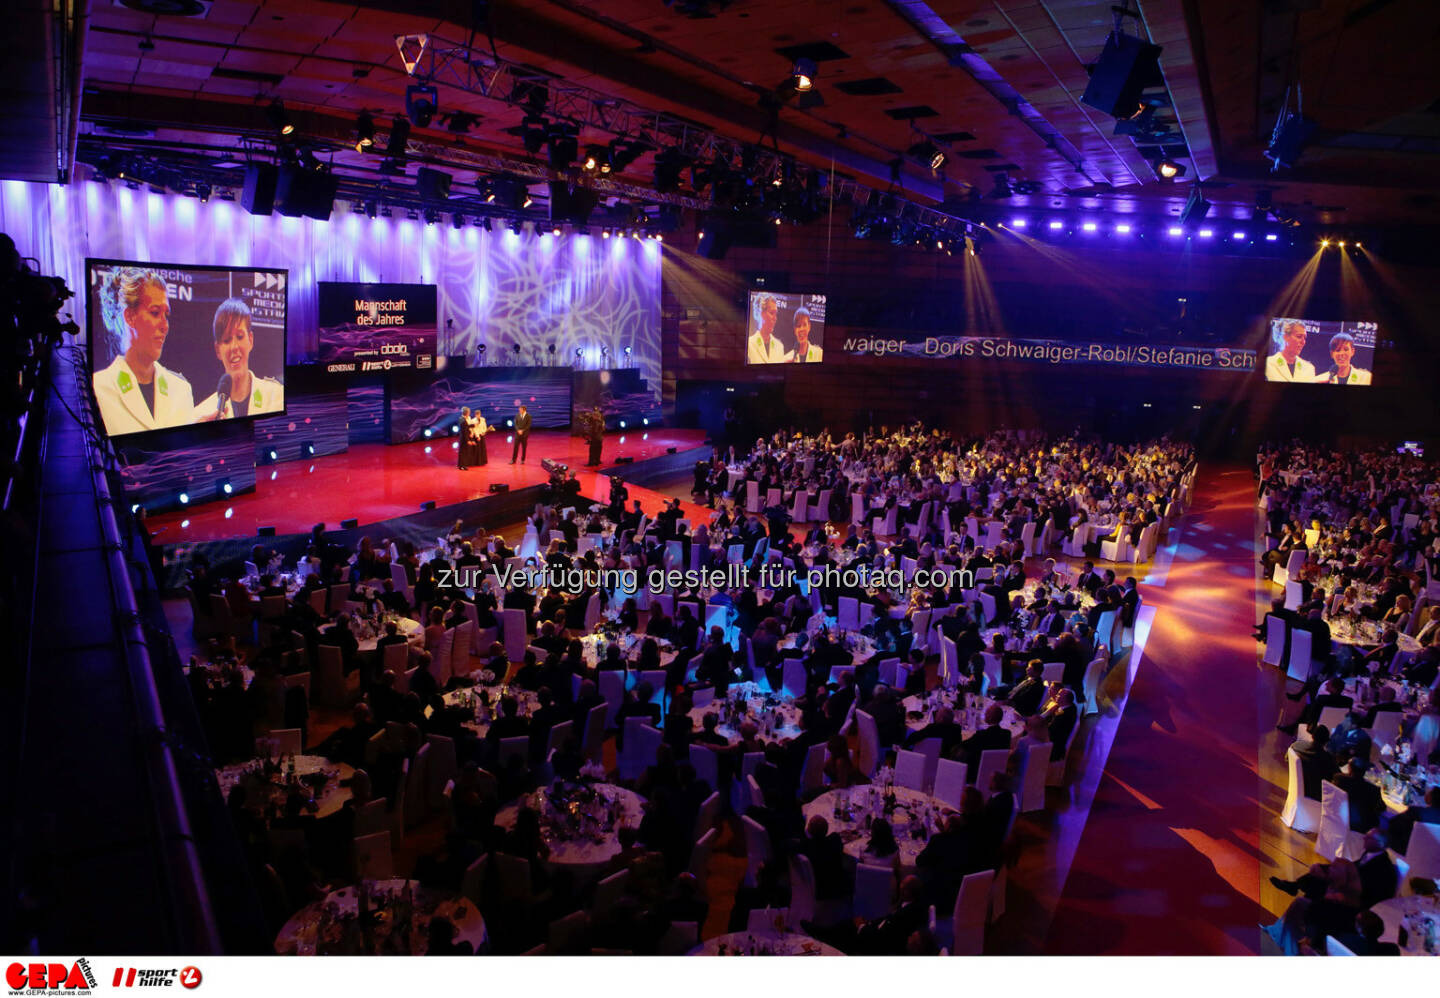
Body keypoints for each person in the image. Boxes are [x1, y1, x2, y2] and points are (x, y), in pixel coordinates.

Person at [93, 267, 196, 433]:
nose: (165, 325)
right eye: (155, 313)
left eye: (166, 315)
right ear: (130, 317)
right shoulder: (98, 388)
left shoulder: (181, 389)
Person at [192, 298, 283, 420]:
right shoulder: (202, 413)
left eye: (240, 337)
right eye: (227, 340)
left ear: (250, 340)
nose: (234, 347)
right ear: (218, 350)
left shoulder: (277, 396)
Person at [746, 294, 789, 364]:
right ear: (760, 313)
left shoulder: (779, 347)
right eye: (772, 313)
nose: (775, 318)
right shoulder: (749, 345)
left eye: (776, 314)